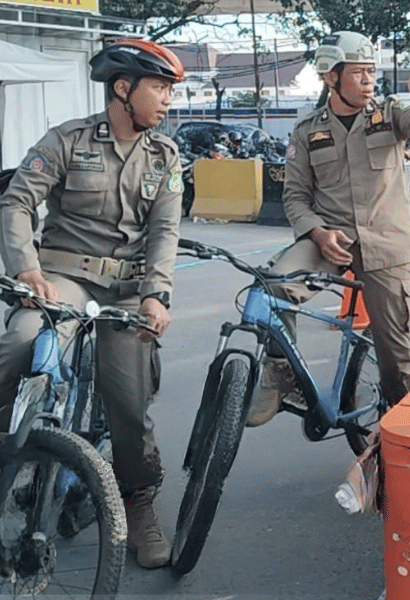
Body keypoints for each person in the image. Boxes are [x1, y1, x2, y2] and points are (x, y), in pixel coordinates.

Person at [0, 39, 185, 569]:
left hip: (128, 287)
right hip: (62, 277)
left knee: (127, 402)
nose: (169, 100)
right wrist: (26, 268)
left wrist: (157, 293)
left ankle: (139, 501)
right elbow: (16, 200)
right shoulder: (66, 139)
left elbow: (165, 231)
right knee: (19, 341)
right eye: (160, 89)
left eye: (171, 90)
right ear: (123, 90)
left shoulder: (165, 157)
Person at [253, 32, 410, 426]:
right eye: (359, 72)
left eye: (371, 72)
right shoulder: (307, 130)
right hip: (329, 238)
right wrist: (318, 234)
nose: (368, 80)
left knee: (396, 357)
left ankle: (408, 433)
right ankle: (281, 371)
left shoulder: (390, 113)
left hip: (384, 244)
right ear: (331, 77)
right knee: (273, 286)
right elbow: (295, 197)